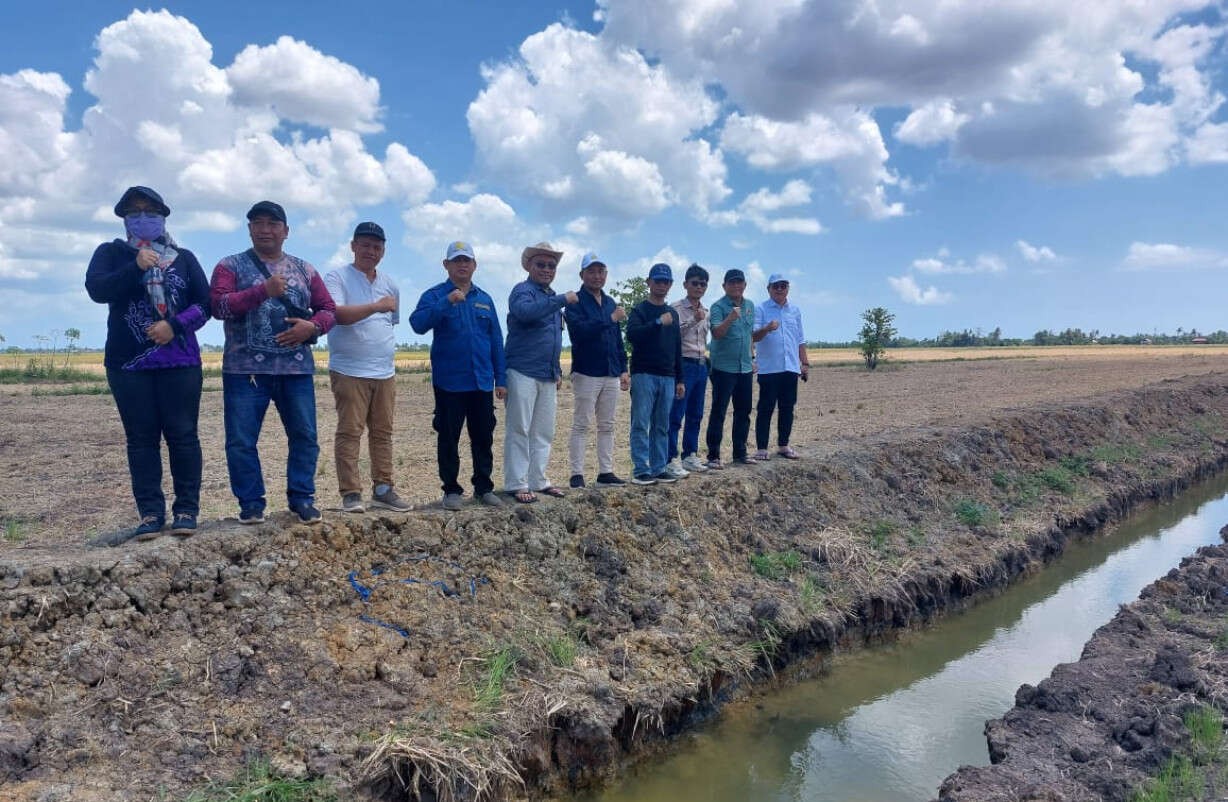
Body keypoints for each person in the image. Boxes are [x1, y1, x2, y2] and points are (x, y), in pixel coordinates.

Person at [85, 186, 210, 541]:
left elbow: (205, 305)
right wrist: (133, 269)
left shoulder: (183, 258)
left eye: (150, 211)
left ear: (163, 217)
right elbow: (97, 290)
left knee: (183, 436)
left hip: (180, 361)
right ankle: (150, 514)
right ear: (125, 219)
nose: (143, 218)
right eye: (135, 212)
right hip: (128, 364)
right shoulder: (111, 253)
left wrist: (175, 325)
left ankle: (187, 509)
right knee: (141, 439)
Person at [210, 200, 336, 525]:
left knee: (305, 436)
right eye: (258, 223)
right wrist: (262, 291)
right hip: (245, 371)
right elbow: (219, 306)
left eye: (273, 223)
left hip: (296, 370)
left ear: (286, 231)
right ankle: (251, 504)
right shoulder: (230, 265)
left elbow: (328, 309)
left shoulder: (305, 269)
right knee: (241, 441)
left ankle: (302, 498)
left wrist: (314, 327)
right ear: (249, 228)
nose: (266, 229)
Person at [409, 241, 507, 510]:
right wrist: (446, 303)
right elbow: (417, 324)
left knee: (483, 435)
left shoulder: (484, 299)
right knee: (449, 436)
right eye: (457, 260)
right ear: (446, 265)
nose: (463, 265)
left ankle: (484, 487)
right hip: (450, 382)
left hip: (481, 380)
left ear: (474, 265)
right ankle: (451, 490)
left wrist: (502, 379)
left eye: (467, 260)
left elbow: (496, 340)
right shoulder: (434, 295)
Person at [323, 222, 411, 513]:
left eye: (377, 247)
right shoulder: (337, 277)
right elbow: (336, 315)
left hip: (384, 371)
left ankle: (383, 489)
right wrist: (374, 306)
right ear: (353, 246)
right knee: (350, 431)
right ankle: (351, 493)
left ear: (383, 251)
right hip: (349, 370)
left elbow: (390, 324)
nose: (370, 251)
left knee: (383, 432)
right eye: (365, 245)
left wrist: (382, 309)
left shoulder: (390, 285)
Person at [503, 242, 578, 503]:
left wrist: (556, 369)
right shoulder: (522, 292)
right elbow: (525, 314)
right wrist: (560, 300)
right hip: (522, 369)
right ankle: (516, 482)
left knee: (544, 430)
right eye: (541, 264)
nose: (547, 269)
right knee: (519, 428)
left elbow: (555, 336)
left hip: (546, 374)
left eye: (551, 265)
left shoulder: (552, 297)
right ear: (529, 266)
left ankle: (538, 479)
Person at [564, 252, 629, 489]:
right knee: (581, 423)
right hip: (587, 371)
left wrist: (623, 368)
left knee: (608, 425)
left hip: (611, 372)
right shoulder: (574, 301)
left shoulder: (611, 302)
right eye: (591, 271)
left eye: (601, 271)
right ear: (582, 274)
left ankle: (606, 472)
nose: (596, 276)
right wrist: (610, 319)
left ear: (606, 275)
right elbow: (579, 332)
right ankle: (576, 473)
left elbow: (617, 340)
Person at [705, 268, 776, 468]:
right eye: (732, 283)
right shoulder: (718, 307)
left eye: (740, 282)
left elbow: (749, 337)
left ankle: (740, 453)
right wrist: (730, 318)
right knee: (719, 411)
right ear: (724, 286)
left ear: (745, 285)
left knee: (743, 411)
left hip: (744, 368)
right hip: (723, 368)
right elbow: (717, 334)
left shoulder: (750, 306)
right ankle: (713, 456)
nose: (736, 286)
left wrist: (753, 354)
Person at [625, 263, 685, 485]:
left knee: (662, 424)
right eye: (657, 280)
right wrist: (658, 323)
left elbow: (677, 346)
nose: (661, 285)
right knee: (640, 423)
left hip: (668, 376)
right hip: (643, 374)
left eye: (666, 281)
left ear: (670, 285)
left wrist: (680, 379)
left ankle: (659, 467)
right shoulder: (639, 311)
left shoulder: (673, 314)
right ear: (648, 282)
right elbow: (632, 335)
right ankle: (641, 469)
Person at [753, 274, 809, 460]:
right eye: (775, 286)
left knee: (787, 407)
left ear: (788, 288)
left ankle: (784, 446)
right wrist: (767, 328)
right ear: (768, 289)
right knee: (766, 408)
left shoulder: (795, 311)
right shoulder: (760, 309)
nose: (779, 289)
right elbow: (754, 336)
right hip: (769, 368)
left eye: (783, 286)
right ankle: (762, 449)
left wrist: (805, 363)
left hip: (791, 367)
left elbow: (800, 339)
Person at [666, 263, 711, 479]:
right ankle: (670, 457)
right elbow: (674, 337)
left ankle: (690, 454)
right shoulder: (675, 309)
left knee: (696, 413)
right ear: (685, 284)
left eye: (703, 284)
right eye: (695, 283)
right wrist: (694, 319)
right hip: (683, 364)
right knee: (676, 413)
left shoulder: (707, 311)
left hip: (701, 364)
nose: (699, 287)